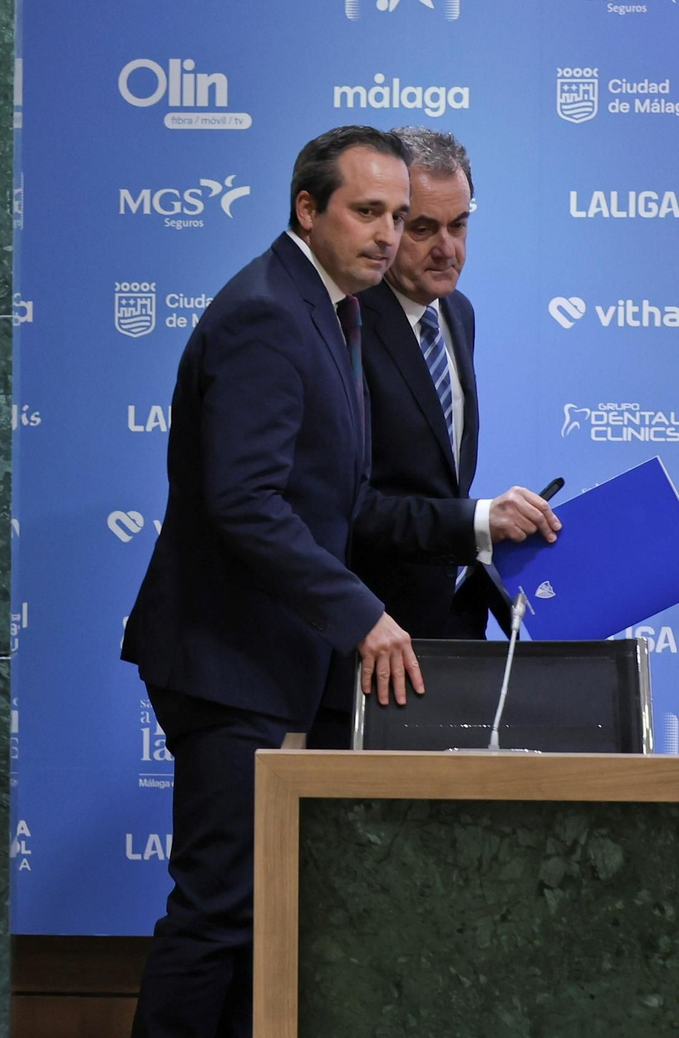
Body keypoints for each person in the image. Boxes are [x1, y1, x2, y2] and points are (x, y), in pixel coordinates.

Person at [120, 125, 558, 1038]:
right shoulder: (267, 313)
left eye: (401, 215)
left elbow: (344, 498)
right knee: (220, 912)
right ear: (307, 208)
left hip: (276, 659)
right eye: (371, 213)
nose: (390, 236)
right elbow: (244, 502)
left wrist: (479, 527)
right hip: (231, 658)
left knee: (265, 915)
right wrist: (362, 614)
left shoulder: (332, 309)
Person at [350, 127, 530, 639]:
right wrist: (478, 521)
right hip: (360, 633)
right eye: (424, 228)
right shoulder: (344, 323)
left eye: (459, 224)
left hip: (438, 629)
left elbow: (436, 482)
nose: (447, 249)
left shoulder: (457, 312)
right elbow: (345, 506)